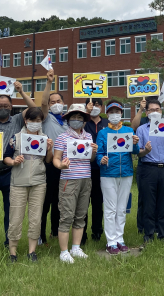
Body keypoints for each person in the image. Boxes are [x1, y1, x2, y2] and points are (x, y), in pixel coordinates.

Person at [0, 81, 37, 246]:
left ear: (11, 107)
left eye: (6, 106)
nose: (2, 108)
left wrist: (21, 92)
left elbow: (34, 109)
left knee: (10, 211)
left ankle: (9, 243)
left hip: (11, 172)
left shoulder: (18, 120)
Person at [3, 107, 53, 263]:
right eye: (32, 120)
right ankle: (12, 252)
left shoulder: (45, 138)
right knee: (15, 217)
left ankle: (32, 251)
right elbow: (5, 157)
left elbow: (48, 160)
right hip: (18, 183)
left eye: (39, 120)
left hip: (38, 182)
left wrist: (49, 149)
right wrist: (14, 161)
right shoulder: (16, 138)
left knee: (36, 217)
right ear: (26, 121)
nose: (35, 123)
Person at [52, 104, 97, 263]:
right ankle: (64, 252)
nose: (76, 120)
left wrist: (94, 151)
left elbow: (90, 159)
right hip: (69, 180)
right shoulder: (62, 137)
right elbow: (56, 159)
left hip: (86, 179)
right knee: (66, 215)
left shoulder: (88, 136)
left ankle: (76, 248)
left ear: (84, 120)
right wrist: (61, 166)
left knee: (81, 215)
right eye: (73, 117)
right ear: (68, 120)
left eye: (79, 117)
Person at [95, 101, 140, 254]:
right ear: (107, 114)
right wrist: (101, 160)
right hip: (108, 173)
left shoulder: (128, 130)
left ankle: (119, 238)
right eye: (112, 112)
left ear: (121, 113)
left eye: (117, 111)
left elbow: (135, 151)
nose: (115, 114)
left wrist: (135, 144)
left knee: (121, 209)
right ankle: (111, 241)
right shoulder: (103, 133)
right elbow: (99, 153)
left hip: (126, 173)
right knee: (110, 209)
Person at [136, 97, 164, 247]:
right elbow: (138, 153)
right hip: (148, 169)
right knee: (148, 203)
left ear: (161, 111)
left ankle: (163, 234)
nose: (155, 112)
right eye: (151, 110)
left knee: (163, 203)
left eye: (157, 109)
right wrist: (146, 151)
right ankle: (149, 235)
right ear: (147, 112)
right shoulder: (141, 129)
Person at [39, 70, 68, 245]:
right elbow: (42, 103)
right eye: (53, 102)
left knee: (59, 202)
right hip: (48, 164)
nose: (56, 104)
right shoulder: (46, 118)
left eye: (59, 101)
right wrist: (49, 82)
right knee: (45, 202)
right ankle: (40, 235)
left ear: (63, 103)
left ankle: (55, 233)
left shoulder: (68, 120)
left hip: (64, 165)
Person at [83, 97, 108, 244]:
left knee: (98, 202)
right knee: (84, 202)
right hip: (85, 168)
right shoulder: (83, 122)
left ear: (102, 107)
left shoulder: (106, 123)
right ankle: (82, 233)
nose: (95, 107)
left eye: (98, 104)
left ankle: (97, 231)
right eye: (92, 104)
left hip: (102, 168)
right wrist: (86, 113)